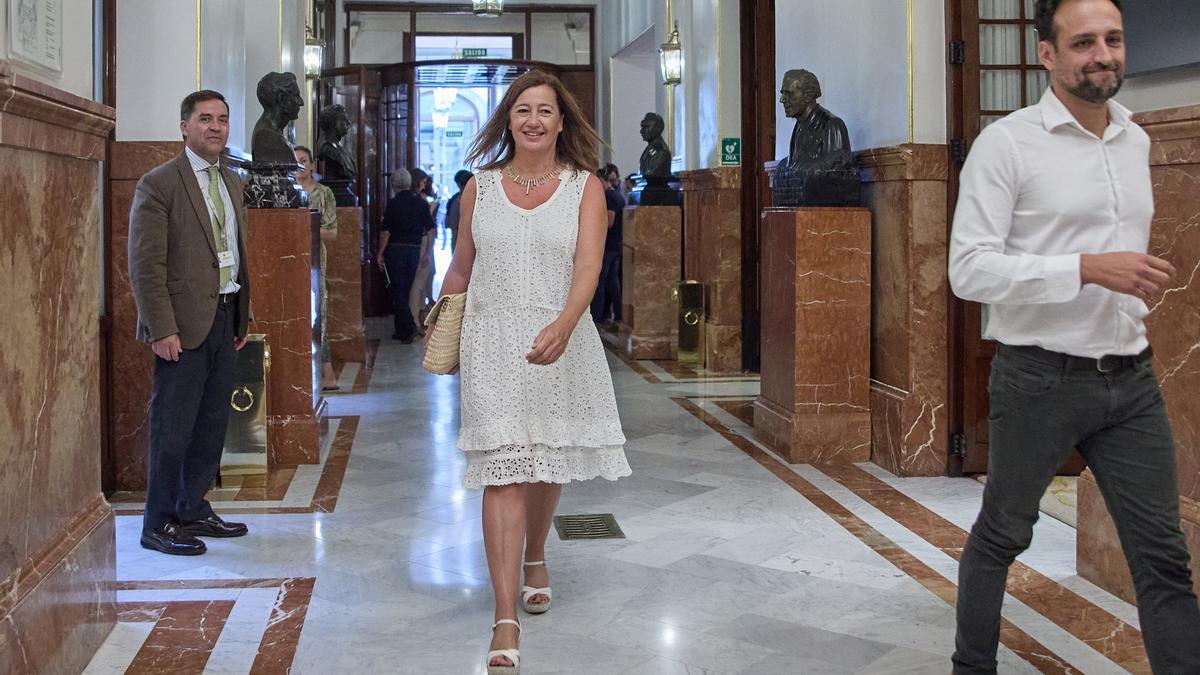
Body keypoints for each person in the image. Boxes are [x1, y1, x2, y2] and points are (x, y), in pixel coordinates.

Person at [948, 1, 1200, 672]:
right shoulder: (1007, 145)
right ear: (1048, 55)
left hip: (1131, 379)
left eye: (1113, 39)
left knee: (1164, 559)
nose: (1103, 55)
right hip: (1038, 379)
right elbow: (968, 269)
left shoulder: (1136, 139)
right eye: (1084, 41)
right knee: (1002, 535)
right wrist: (1086, 268)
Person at [426, 70, 631, 674]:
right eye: (523, 110)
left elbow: (589, 270)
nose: (534, 120)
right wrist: (440, 321)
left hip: (558, 338)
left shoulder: (584, 187)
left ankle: (537, 553)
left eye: (545, 110)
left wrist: (565, 325)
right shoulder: (479, 189)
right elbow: (462, 264)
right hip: (492, 341)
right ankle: (504, 615)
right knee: (503, 470)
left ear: (562, 121)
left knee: (544, 458)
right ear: (508, 121)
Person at [127, 90, 251, 556]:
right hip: (180, 324)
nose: (215, 127)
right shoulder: (159, 183)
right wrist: (161, 328)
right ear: (185, 127)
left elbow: (237, 254)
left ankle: (194, 508)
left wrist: (242, 315)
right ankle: (158, 523)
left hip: (223, 316)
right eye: (205, 119)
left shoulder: (232, 182)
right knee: (173, 426)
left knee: (211, 423)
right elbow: (145, 266)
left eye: (221, 119)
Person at [295, 145, 339, 391]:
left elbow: (331, 232)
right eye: (296, 161)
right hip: (290, 262)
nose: (300, 165)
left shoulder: (324, 193)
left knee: (318, 314)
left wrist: (304, 228)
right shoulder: (286, 193)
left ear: (312, 164)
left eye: (304, 160)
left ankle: (326, 369)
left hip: (314, 262)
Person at [378, 168, 434, 343]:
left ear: (394, 185)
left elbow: (385, 232)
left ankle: (408, 327)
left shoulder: (393, 204)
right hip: (414, 250)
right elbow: (431, 230)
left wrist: (380, 253)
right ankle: (401, 330)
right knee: (405, 288)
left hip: (395, 250)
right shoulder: (420, 203)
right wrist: (427, 252)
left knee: (397, 291)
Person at [590, 166, 625, 328]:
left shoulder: (609, 197)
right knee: (613, 282)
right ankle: (617, 315)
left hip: (608, 246)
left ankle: (597, 316)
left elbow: (609, 222)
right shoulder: (618, 196)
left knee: (600, 283)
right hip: (617, 244)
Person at [444, 169, 472, 254]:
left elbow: (447, 222)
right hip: (461, 237)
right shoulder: (454, 200)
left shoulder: (453, 199)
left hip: (458, 237)